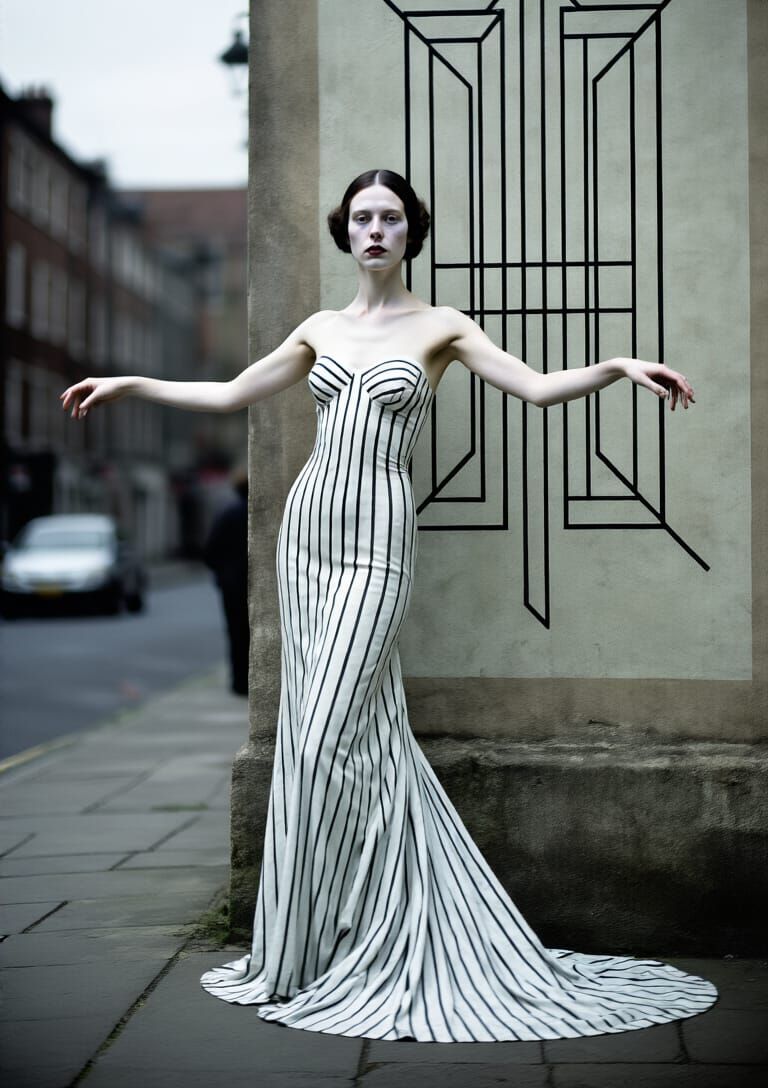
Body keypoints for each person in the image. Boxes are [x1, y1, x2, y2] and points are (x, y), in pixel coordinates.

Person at [59, 169, 715, 1042]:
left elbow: (535, 388)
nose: (376, 230)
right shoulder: (320, 329)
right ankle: (301, 950)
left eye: (391, 218)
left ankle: (376, 924)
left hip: (377, 539)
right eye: (363, 217)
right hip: (308, 536)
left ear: (412, 232)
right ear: (346, 231)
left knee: (330, 728)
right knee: (317, 732)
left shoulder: (441, 326)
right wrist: (132, 383)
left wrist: (615, 366)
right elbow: (229, 396)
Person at [202, 465, 250, 696]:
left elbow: (210, 552)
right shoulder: (263, 515)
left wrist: (223, 573)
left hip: (232, 587)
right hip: (258, 584)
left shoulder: (227, 514)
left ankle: (239, 681)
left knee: (235, 633)